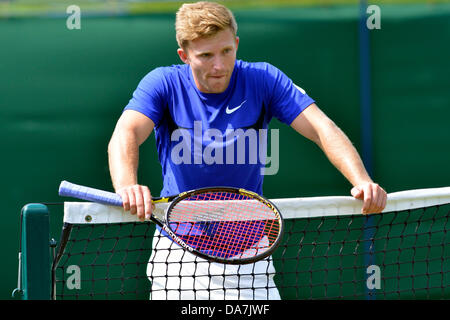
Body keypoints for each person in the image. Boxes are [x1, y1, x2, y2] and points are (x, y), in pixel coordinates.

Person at [108, 1, 387, 299]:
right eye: (206, 55)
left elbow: (322, 128)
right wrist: (127, 186)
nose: (219, 65)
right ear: (185, 55)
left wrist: (361, 180)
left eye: (226, 51)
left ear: (237, 43)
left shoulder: (263, 79)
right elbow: (126, 131)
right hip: (180, 255)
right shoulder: (162, 83)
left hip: (251, 255)